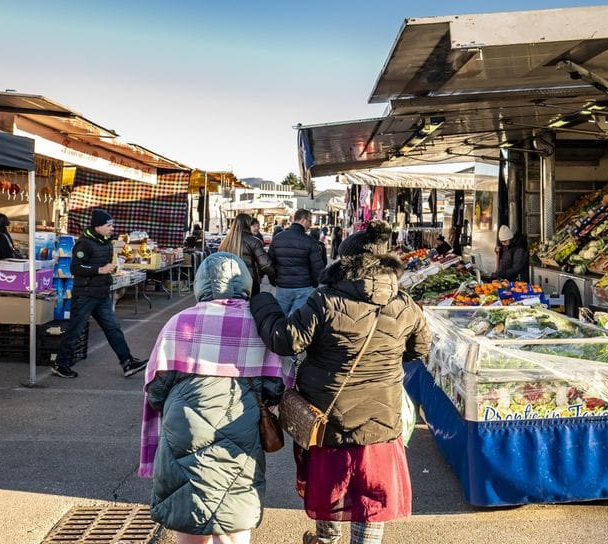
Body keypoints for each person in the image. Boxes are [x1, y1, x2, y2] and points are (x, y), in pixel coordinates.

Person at [250, 220, 431, 544]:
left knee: (330, 497)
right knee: (370, 503)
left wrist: (263, 302)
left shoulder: (326, 301)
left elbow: (284, 340)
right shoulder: (404, 304)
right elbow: (420, 348)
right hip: (380, 425)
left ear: (344, 264)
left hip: (329, 422)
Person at [140, 253, 287, 544]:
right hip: (242, 426)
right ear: (245, 282)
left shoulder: (179, 322)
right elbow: (274, 387)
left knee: (188, 506)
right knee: (234, 509)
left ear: (201, 284)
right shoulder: (258, 324)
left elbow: (156, 391)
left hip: (185, 428)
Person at [52, 209, 146, 379]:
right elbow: (76, 268)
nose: (112, 228)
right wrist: (100, 270)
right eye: (108, 225)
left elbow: (103, 265)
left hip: (101, 293)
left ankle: (127, 362)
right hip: (85, 295)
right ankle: (61, 364)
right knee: (75, 329)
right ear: (98, 226)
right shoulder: (84, 244)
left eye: (112, 225)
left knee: (113, 328)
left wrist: (109, 270)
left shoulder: (106, 242)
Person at [268, 209, 324, 315]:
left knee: (280, 318)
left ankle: (279, 332)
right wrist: (315, 282)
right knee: (299, 320)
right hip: (304, 287)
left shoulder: (278, 238)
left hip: (283, 286)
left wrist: (273, 280)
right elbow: (317, 267)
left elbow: (269, 263)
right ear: (303, 220)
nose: (310, 224)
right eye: (309, 220)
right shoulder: (310, 241)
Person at [218, 213, 275, 295]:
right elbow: (266, 264)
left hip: (228, 283)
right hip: (249, 283)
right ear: (248, 224)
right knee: (249, 306)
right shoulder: (254, 241)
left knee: (233, 306)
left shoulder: (224, 243)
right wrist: (273, 278)